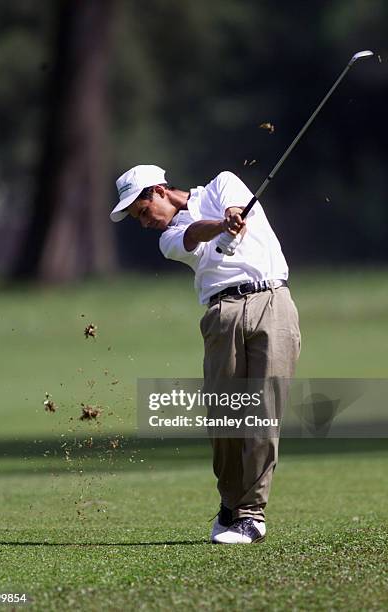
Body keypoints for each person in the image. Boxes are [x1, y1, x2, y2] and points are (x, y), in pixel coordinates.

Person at [110, 164, 301, 544]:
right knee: (225, 416)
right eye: (137, 219)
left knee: (264, 411)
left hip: (273, 302)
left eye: (143, 212)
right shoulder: (169, 238)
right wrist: (221, 225)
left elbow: (233, 205)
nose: (145, 223)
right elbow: (195, 235)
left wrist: (231, 214)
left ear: (159, 191)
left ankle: (251, 516)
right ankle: (230, 505)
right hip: (222, 314)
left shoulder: (223, 183)